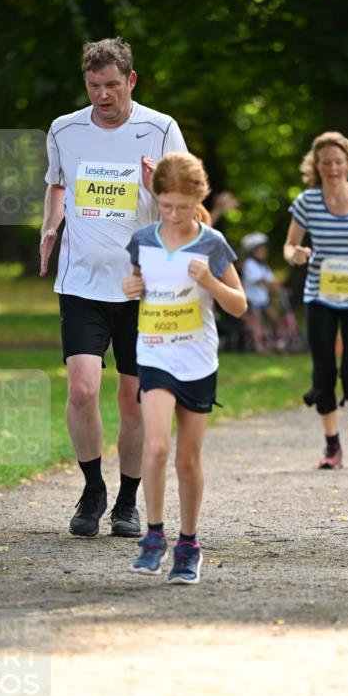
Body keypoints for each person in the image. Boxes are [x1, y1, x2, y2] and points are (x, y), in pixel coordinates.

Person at [39, 37, 187, 537]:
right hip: (81, 280)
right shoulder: (65, 129)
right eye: (93, 86)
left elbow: (186, 200)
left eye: (111, 85)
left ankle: (127, 500)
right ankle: (91, 489)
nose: (102, 95)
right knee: (82, 389)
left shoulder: (161, 128)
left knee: (134, 398)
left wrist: (156, 189)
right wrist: (50, 226)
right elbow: (58, 183)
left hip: (143, 284)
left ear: (131, 81)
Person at [123, 152, 247, 583]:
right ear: (156, 197)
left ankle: (188, 543)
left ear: (198, 197)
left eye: (181, 205)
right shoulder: (142, 240)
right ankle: (154, 536)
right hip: (155, 352)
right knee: (156, 447)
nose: (174, 215)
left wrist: (210, 281)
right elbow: (140, 286)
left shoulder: (211, 243)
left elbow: (239, 304)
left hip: (197, 359)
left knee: (187, 461)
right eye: (166, 205)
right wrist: (132, 287)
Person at [284, 131, 348, 469]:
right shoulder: (307, 202)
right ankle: (331, 447)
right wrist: (295, 254)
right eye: (325, 162)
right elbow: (289, 246)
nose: (332, 168)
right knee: (323, 374)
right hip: (320, 295)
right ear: (316, 165)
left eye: (338, 162)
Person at [240, 232, 283, 352]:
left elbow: (271, 280)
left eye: (265, 249)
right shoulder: (249, 265)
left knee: (276, 318)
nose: (264, 252)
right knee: (257, 324)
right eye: (261, 250)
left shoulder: (263, 266)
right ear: (252, 251)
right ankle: (259, 347)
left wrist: (280, 288)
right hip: (253, 300)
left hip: (264, 299)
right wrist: (275, 288)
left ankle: (276, 342)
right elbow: (262, 281)